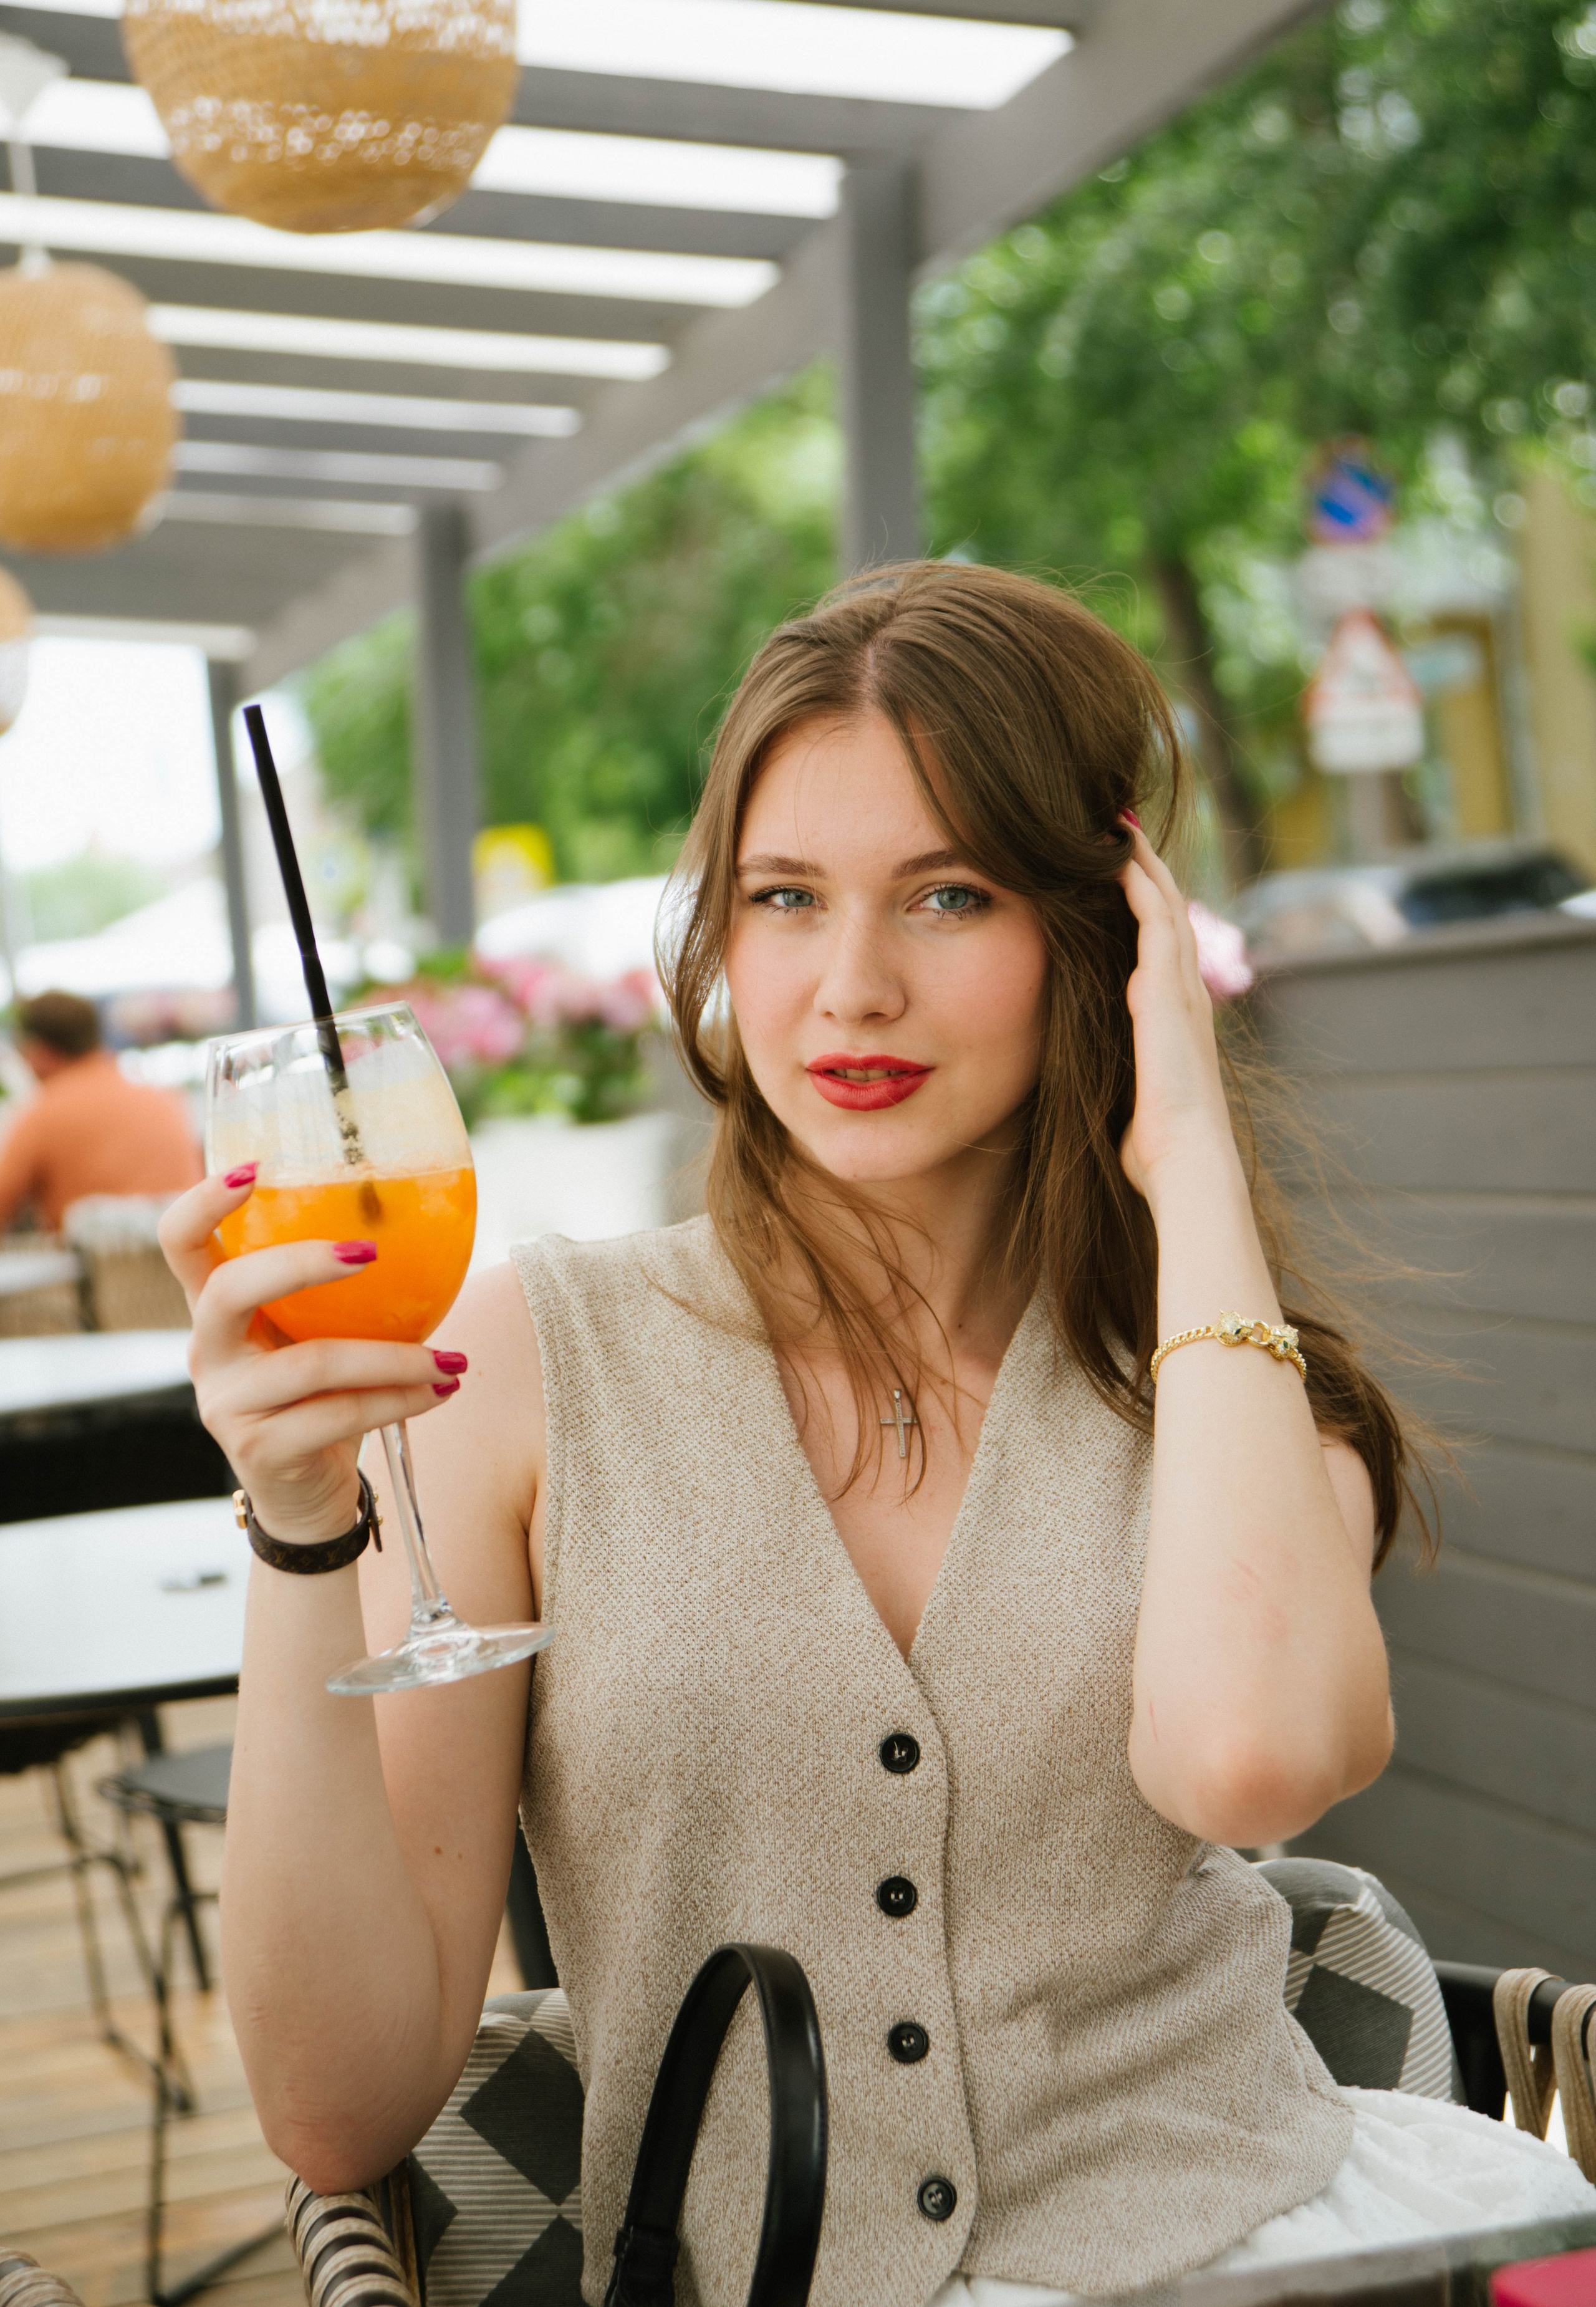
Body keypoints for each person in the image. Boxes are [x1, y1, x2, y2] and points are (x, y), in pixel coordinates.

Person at [160, 565, 1594, 2307]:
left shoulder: (1225, 1383)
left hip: (1251, 2262)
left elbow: (1253, 1765)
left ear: (1096, 933)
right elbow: (340, 2105)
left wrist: (1194, 1163)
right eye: (784, 897)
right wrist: (302, 1530)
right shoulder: (527, 1363)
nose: (850, 987)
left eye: (949, 895)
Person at [0, 990, 201, 1233]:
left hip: (97, 1270)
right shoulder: (163, 1100)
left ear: (38, 1050)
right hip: (184, 1260)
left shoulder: (43, 1113)